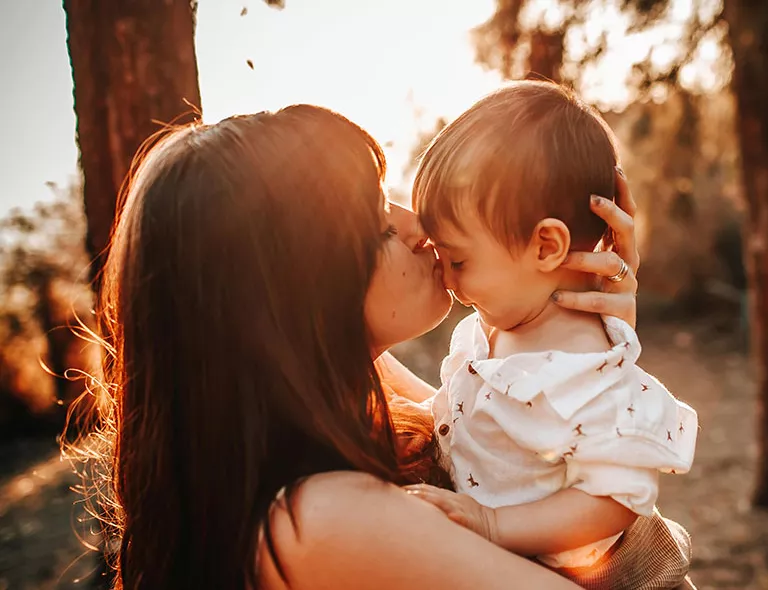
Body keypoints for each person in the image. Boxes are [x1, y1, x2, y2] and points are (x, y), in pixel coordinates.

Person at [69, 103, 653, 590]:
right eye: (378, 225)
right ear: (299, 288)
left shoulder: (344, 413)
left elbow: (532, 455)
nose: (420, 224)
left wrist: (578, 332)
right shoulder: (319, 519)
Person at [404, 81, 697, 589]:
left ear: (546, 246)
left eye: (459, 260)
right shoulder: (497, 327)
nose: (447, 278)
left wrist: (493, 524)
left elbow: (616, 498)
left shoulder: (583, 363)